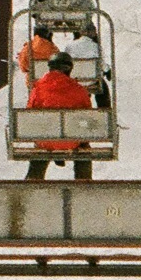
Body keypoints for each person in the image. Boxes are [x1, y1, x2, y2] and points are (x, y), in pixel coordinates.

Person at [26, 48, 97, 182]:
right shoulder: (79, 90)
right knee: (84, 147)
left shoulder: (38, 88)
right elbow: (88, 117)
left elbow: (30, 114)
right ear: (69, 69)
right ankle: (83, 182)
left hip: (45, 139)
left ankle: (33, 180)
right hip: (72, 140)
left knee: (41, 145)